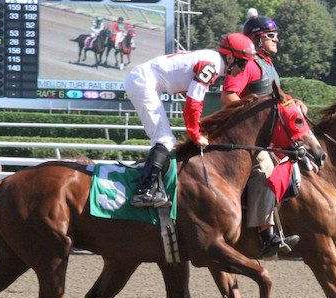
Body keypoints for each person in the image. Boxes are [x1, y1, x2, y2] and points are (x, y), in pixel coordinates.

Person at [125, 33, 256, 208]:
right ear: (230, 57)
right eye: (243, 62)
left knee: (165, 139)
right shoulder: (212, 65)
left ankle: (151, 184)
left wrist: (197, 128)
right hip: (144, 82)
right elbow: (193, 103)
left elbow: (192, 103)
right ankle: (142, 191)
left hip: (146, 81)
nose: (244, 68)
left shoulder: (212, 61)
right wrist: (195, 133)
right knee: (164, 139)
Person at [221, 11, 306, 258]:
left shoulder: (267, 64)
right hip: (245, 141)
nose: (276, 40)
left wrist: (292, 101)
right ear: (256, 40)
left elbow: (274, 99)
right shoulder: (247, 64)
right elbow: (228, 98)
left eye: (276, 35)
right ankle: (266, 234)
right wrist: (255, 107)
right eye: (271, 36)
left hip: (267, 137)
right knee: (266, 172)